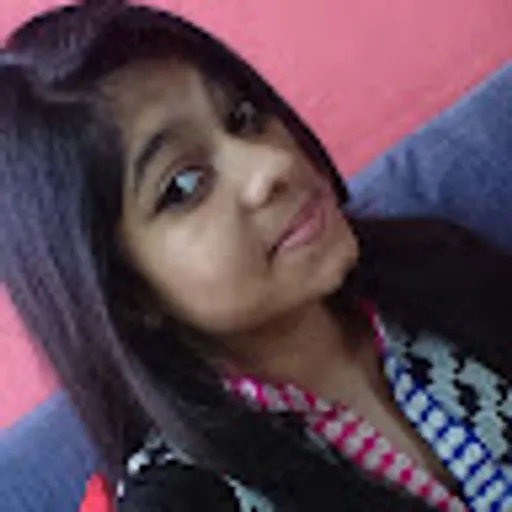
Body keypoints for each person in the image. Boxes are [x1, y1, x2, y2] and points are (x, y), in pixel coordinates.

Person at [2, 2, 512, 511]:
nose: (272, 165)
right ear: (127, 294)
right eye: (184, 185)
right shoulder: (188, 500)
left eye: (243, 118)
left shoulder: (437, 265)